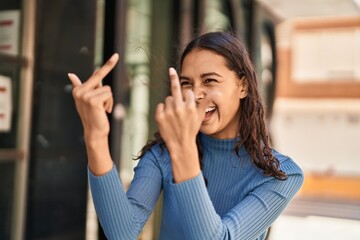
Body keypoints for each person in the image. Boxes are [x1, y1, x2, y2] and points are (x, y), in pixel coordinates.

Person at [68, 31, 304, 240]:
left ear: (243, 86)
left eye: (209, 80)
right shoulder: (163, 154)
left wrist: (183, 148)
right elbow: (122, 233)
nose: (196, 94)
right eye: (186, 83)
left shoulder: (281, 175)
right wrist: (96, 136)